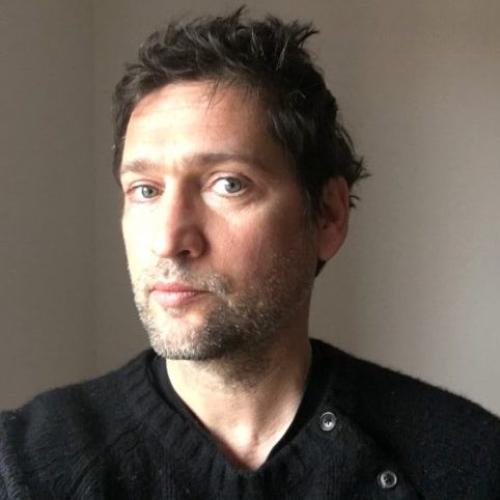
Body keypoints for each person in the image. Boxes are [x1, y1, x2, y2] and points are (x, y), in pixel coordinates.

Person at [1, 7, 500, 499]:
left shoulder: (467, 463)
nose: (168, 240)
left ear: (327, 216)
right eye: (146, 190)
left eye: (228, 184)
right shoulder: (27, 468)